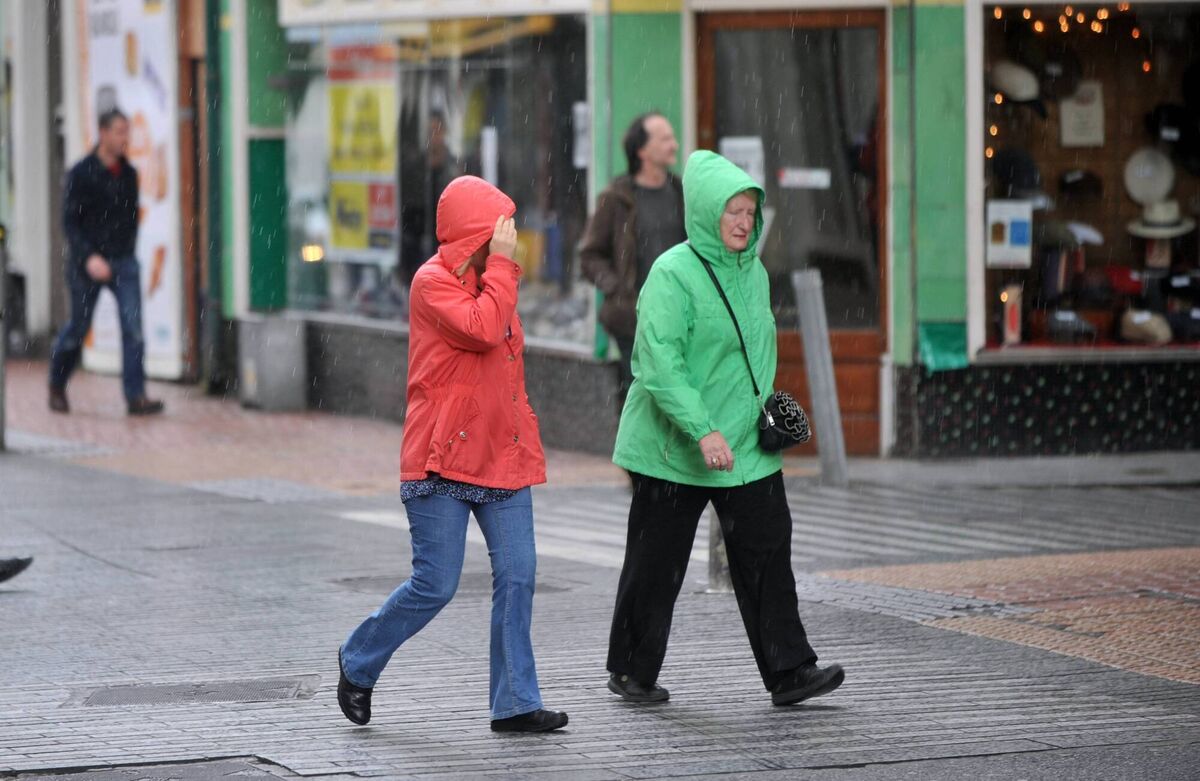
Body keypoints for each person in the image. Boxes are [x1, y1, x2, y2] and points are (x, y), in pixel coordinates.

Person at [605, 150, 845, 708]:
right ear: (707, 213)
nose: (743, 222)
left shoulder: (755, 273)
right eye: (732, 211)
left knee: (766, 553)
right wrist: (703, 430)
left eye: (749, 212)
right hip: (675, 447)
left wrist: (764, 416)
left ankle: (789, 671)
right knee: (654, 564)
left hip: (746, 447)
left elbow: (753, 356)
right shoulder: (672, 273)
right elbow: (659, 363)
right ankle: (631, 671)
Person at [337, 176, 568, 734]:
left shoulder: (495, 280)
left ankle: (514, 702)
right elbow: (485, 330)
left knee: (518, 575)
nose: (510, 236)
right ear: (475, 233)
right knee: (435, 583)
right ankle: (358, 661)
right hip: (442, 455)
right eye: (501, 225)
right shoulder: (431, 283)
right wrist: (505, 269)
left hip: (501, 453)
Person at [49, 108, 163, 416]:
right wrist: (89, 257)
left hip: (123, 261)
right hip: (87, 264)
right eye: (119, 131)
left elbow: (130, 219)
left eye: (127, 131)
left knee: (133, 328)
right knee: (78, 328)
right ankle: (57, 383)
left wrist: (125, 254)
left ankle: (135, 396)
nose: (124, 138)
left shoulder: (129, 174)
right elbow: (70, 223)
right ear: (103, 133)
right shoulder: (82, 173)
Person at [580, 112, 685, 404]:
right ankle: (631, 449)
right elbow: (589, 256)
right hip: (632, 319)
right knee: (638, 394)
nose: (674, 145)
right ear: (642, 150)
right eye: (665, 139)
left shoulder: (681, 192)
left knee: (675, 395)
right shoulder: (617, 198)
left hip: (677, 316)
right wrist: (618, 288)